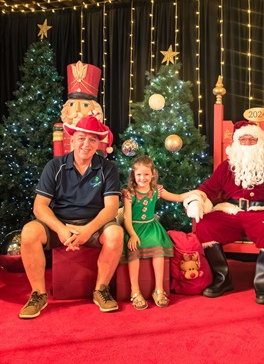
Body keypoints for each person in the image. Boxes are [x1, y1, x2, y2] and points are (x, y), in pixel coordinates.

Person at [19, 115, 124, 319]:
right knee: (29, 232)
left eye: (92, 140)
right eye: (82, 138)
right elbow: (39, 206)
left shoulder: (107, 169)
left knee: (116, 234)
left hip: (94, 226)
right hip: (60, 224)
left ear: (98, 144)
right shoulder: (55, 166)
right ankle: (38, 294)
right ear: (72, 140)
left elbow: (111, 209)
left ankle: (100, 290)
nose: (86, 144)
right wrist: (60, 229)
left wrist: (88, 230)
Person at [183, 120, 264, 304]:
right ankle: (222, 279)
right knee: (206, 225)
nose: (248, 144)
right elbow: (208, 188)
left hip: (261, 211)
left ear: (261, 142)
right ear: (236, 143)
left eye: (252, 139)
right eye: (243, 140)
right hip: (231, 212)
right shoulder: (227, 166)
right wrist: (196, 199)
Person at [122, 155, 203, 309]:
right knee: (134, 250)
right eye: (139, 174)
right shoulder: (129, 193)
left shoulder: (156, 190)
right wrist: (132, 234)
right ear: (133, 174)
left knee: (158, 249)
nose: (142, 178)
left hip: (151, 227)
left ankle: (159, 289)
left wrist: (195, 193)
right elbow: (127, 218)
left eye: (146, 174)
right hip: (134, 228)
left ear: (153, 174)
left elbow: (178, 197)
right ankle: (135, 290)